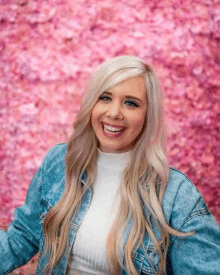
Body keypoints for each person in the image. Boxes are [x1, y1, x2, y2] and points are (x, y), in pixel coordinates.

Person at [0, 55, 220, 275]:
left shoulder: (175, 194)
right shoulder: (60, 162)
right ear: (92, 103)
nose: (114, 113)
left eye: (131, 103)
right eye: (105, 98)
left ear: (147, 115)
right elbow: (22, 236)